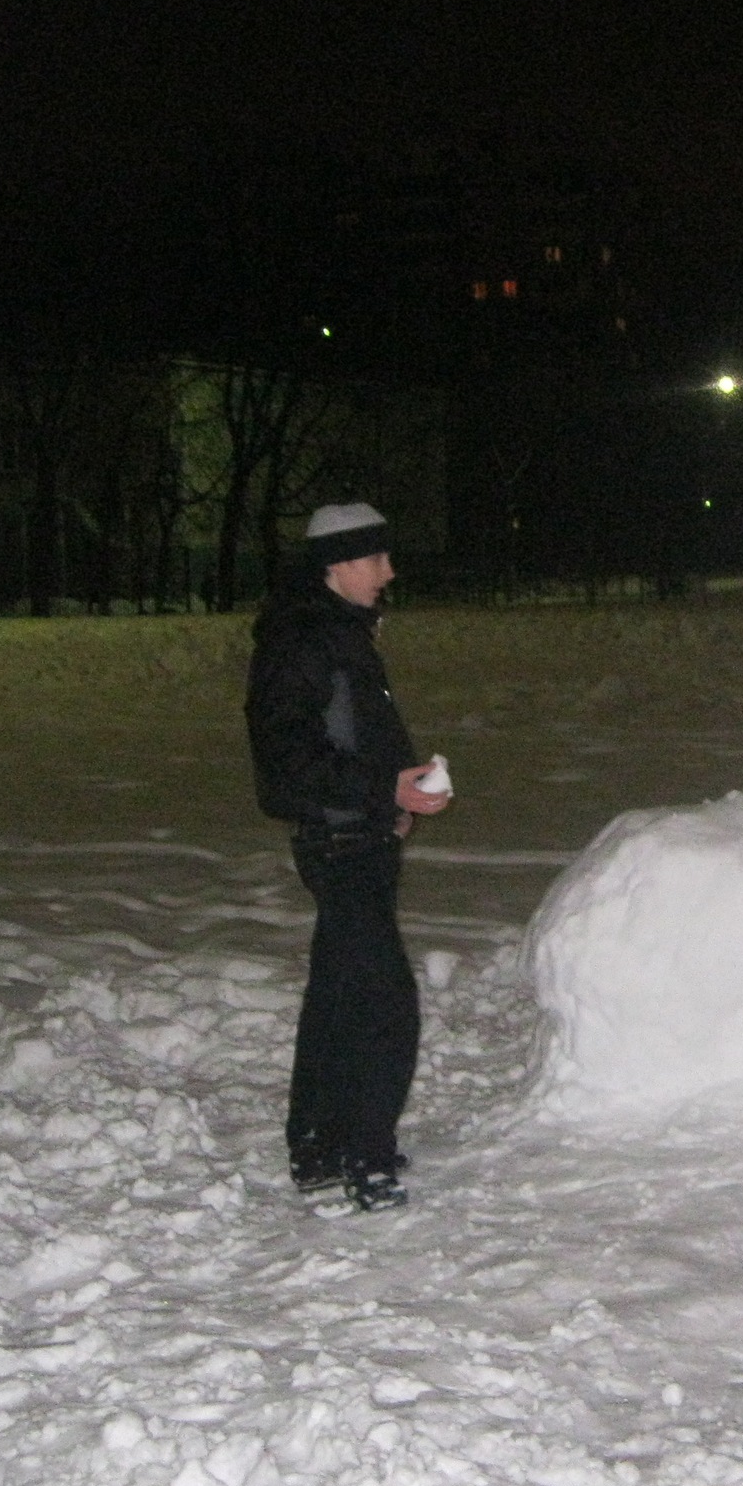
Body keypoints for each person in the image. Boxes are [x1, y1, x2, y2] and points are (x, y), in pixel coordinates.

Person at [244, 502, 450, 1212]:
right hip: (338, 843)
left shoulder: (339, 630)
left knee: (338, 994)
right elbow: (285, 763)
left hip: (362, 834)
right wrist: (381, 789)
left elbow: (356, 736)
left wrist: (399, 794)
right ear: (337, 564)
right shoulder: (303, 640)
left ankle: (318, 1147)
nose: (388, 572)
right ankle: (365, 1154)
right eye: (376, 558)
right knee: (383, 1003)